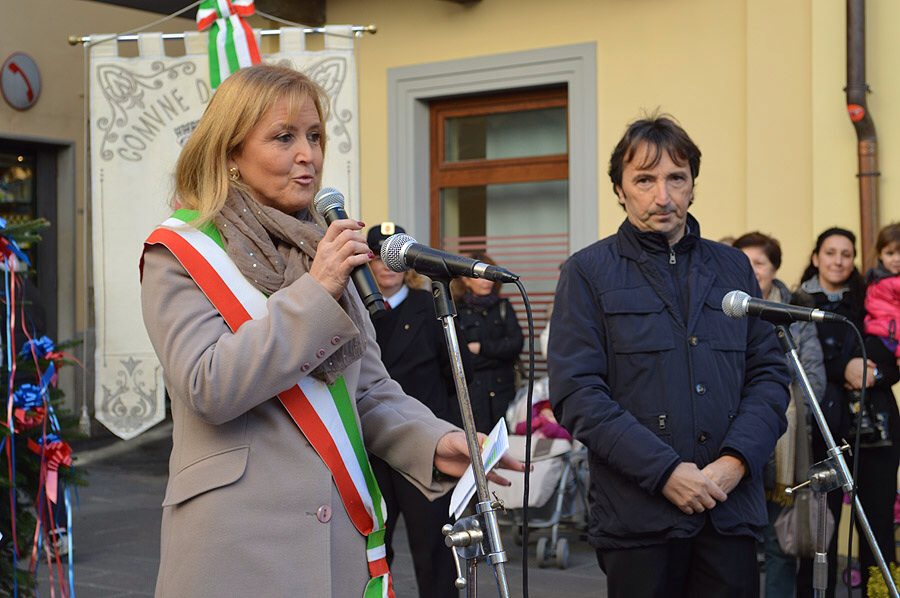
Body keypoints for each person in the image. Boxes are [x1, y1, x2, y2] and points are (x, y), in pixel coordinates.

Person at [139, 64, 521, 598]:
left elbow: (366, 388)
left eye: (315, 136)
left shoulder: (321, 246)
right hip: (237, 547)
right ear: (229, 153)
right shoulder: (180, 253)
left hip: (338, 539)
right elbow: (208, 386)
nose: (308, 155)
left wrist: (437, 441)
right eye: (284, 137)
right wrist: (316, 291)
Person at [547, 114, 791, 598]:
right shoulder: (588, 273)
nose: (663, 196)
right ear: (620, 189)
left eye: (676, 178)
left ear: (693, 185)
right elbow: (578, 394)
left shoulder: (733, 267)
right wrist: (665, 473)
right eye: (645, 179)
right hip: (639, 519)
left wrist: (735, 462)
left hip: (728, 512)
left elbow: (767, 376)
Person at [796, 227, 900, 597]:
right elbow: (801, 362)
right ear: (816, 257)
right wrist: (845, 369)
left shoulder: (872, 298)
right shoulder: (799, 301)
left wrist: (876, 373)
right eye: (830, 252)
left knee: (877, 525)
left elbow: (894, 352)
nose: (838, 260)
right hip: (823, 428)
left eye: (846, 253)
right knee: (820, 526)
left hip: (877, 428)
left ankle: (880, 593)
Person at [365, 221, 463, 598]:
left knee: (434, 548)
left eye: (395, 257)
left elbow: (455, 375)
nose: (387, 267)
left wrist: (448, 433)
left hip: (424, 445)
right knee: (371, 548)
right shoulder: (356, 307)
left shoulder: (433, 306)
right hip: (369, 448)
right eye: (378, 257)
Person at [733, 231, 827, 598]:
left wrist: (768, 408)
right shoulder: (720, 308)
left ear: (775, 269)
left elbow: (814, 380)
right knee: (732, 546)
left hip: (783, 444)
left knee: (779, 545)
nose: (751, 271)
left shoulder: (793, 314)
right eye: (743, 262)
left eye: (759, 263)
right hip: (730, 441)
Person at [452, 255, 524, 434]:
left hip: (503, 392)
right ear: (466, 280)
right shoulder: (455, 310)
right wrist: (498, 356)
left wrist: (481, 348)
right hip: (472, 394)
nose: (487, 282)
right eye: (479, 276)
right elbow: (458, 355)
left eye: (490, 276)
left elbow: (515, 344)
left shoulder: (503, 307)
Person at [864, 223, 900, 366]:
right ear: (880, 254)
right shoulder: (884, 280)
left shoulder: (877, 277)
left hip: (886, 336)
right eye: (890, 253)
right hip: (884, 336)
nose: (897, 259)